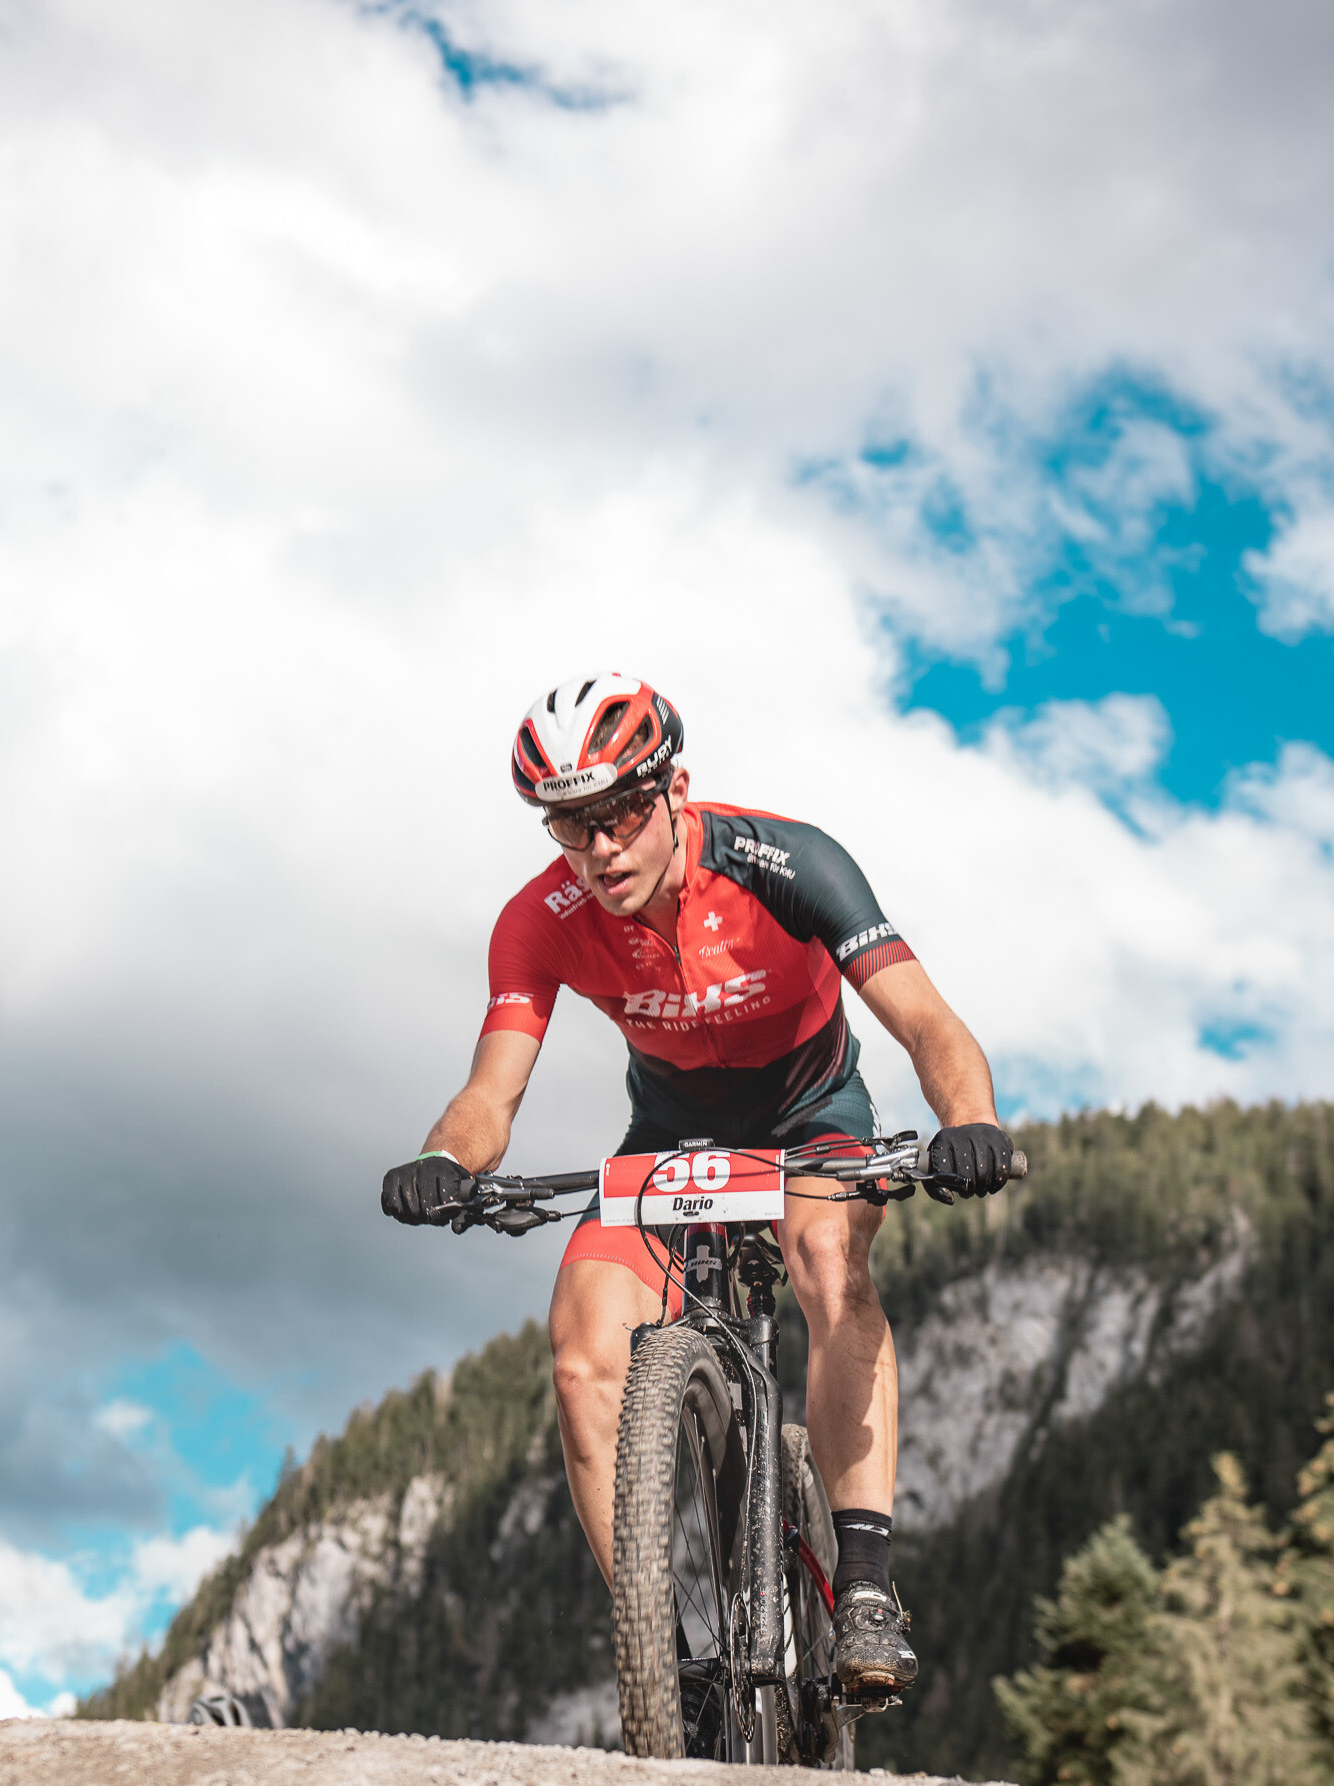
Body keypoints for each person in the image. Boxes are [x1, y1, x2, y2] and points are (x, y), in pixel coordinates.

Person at [381, 673, 1011, 1694]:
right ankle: (659, 1658)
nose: (602, 849)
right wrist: (443, 1162)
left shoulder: (788, 861)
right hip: (669, 1142)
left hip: (812, 1120)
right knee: (584, 1355)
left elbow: (929, 1023)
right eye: (571, 826)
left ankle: (860, 1583)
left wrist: (968, 1124)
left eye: (623, 811)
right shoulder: (537, 922)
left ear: (676, 788)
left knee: (824, 1258)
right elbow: (488, 1094)